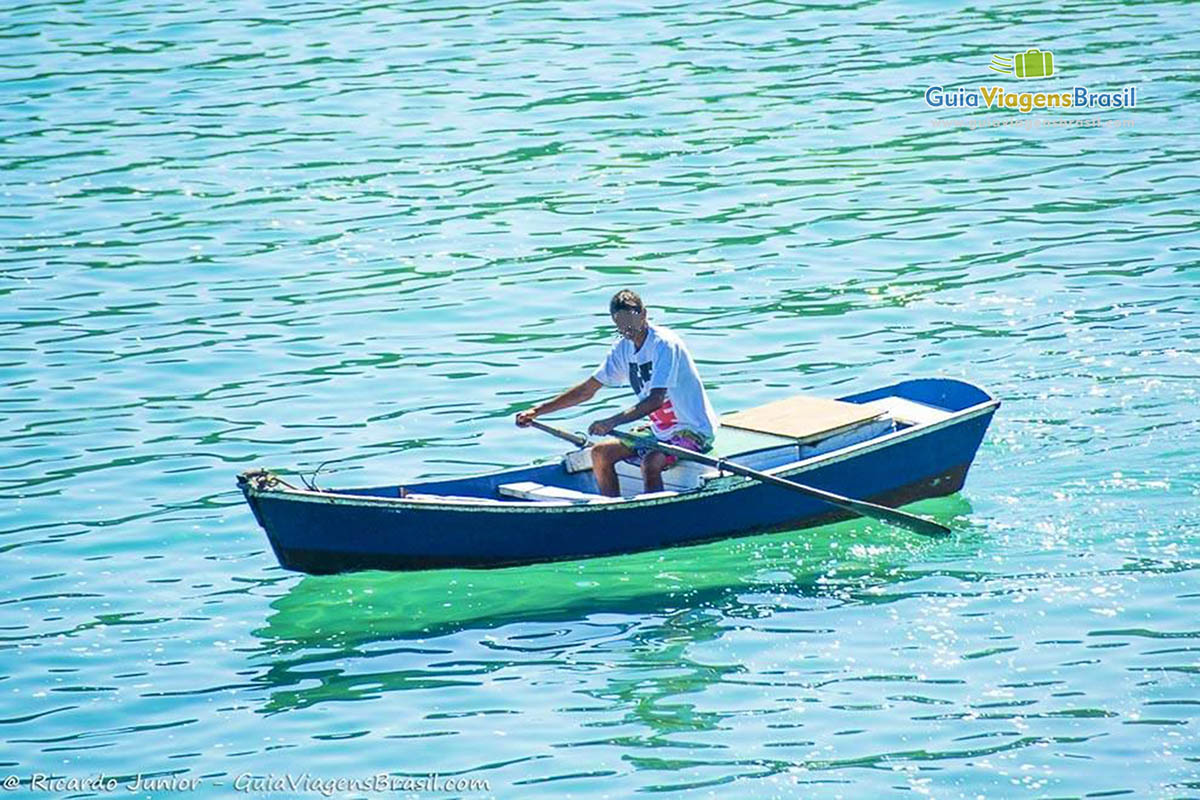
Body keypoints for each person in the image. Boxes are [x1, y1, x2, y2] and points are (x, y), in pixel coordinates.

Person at [515, 290, 719, 496]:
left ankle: (653, 518)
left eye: (631, 319)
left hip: (693, 429)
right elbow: (587, 390)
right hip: (659, 430)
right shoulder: (623, 349)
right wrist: (537, 411)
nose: (627, 327)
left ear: (644, 314)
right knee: (601, 453)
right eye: (620, 322)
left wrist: (612, 422)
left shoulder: (664, 344)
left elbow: (656, 400)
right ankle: (610, 507)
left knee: (651, 463)